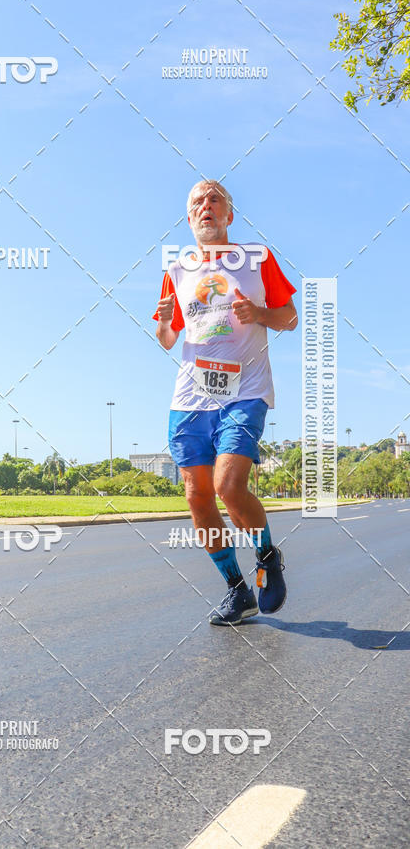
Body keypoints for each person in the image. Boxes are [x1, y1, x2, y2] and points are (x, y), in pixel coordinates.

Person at [153, 180, 298, 625]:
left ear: (229, 215)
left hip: (245, 390)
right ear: (190, 217)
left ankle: (267, 556)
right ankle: (237, 590)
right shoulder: (178, 270)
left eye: (215, 199)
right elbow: (168, 339)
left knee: (229, 486)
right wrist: (161, 324)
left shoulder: (257, 260)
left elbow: (289, 318)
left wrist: (259, 315)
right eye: (198, 201)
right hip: (191, 396)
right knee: (198, 498)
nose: (206, 206)